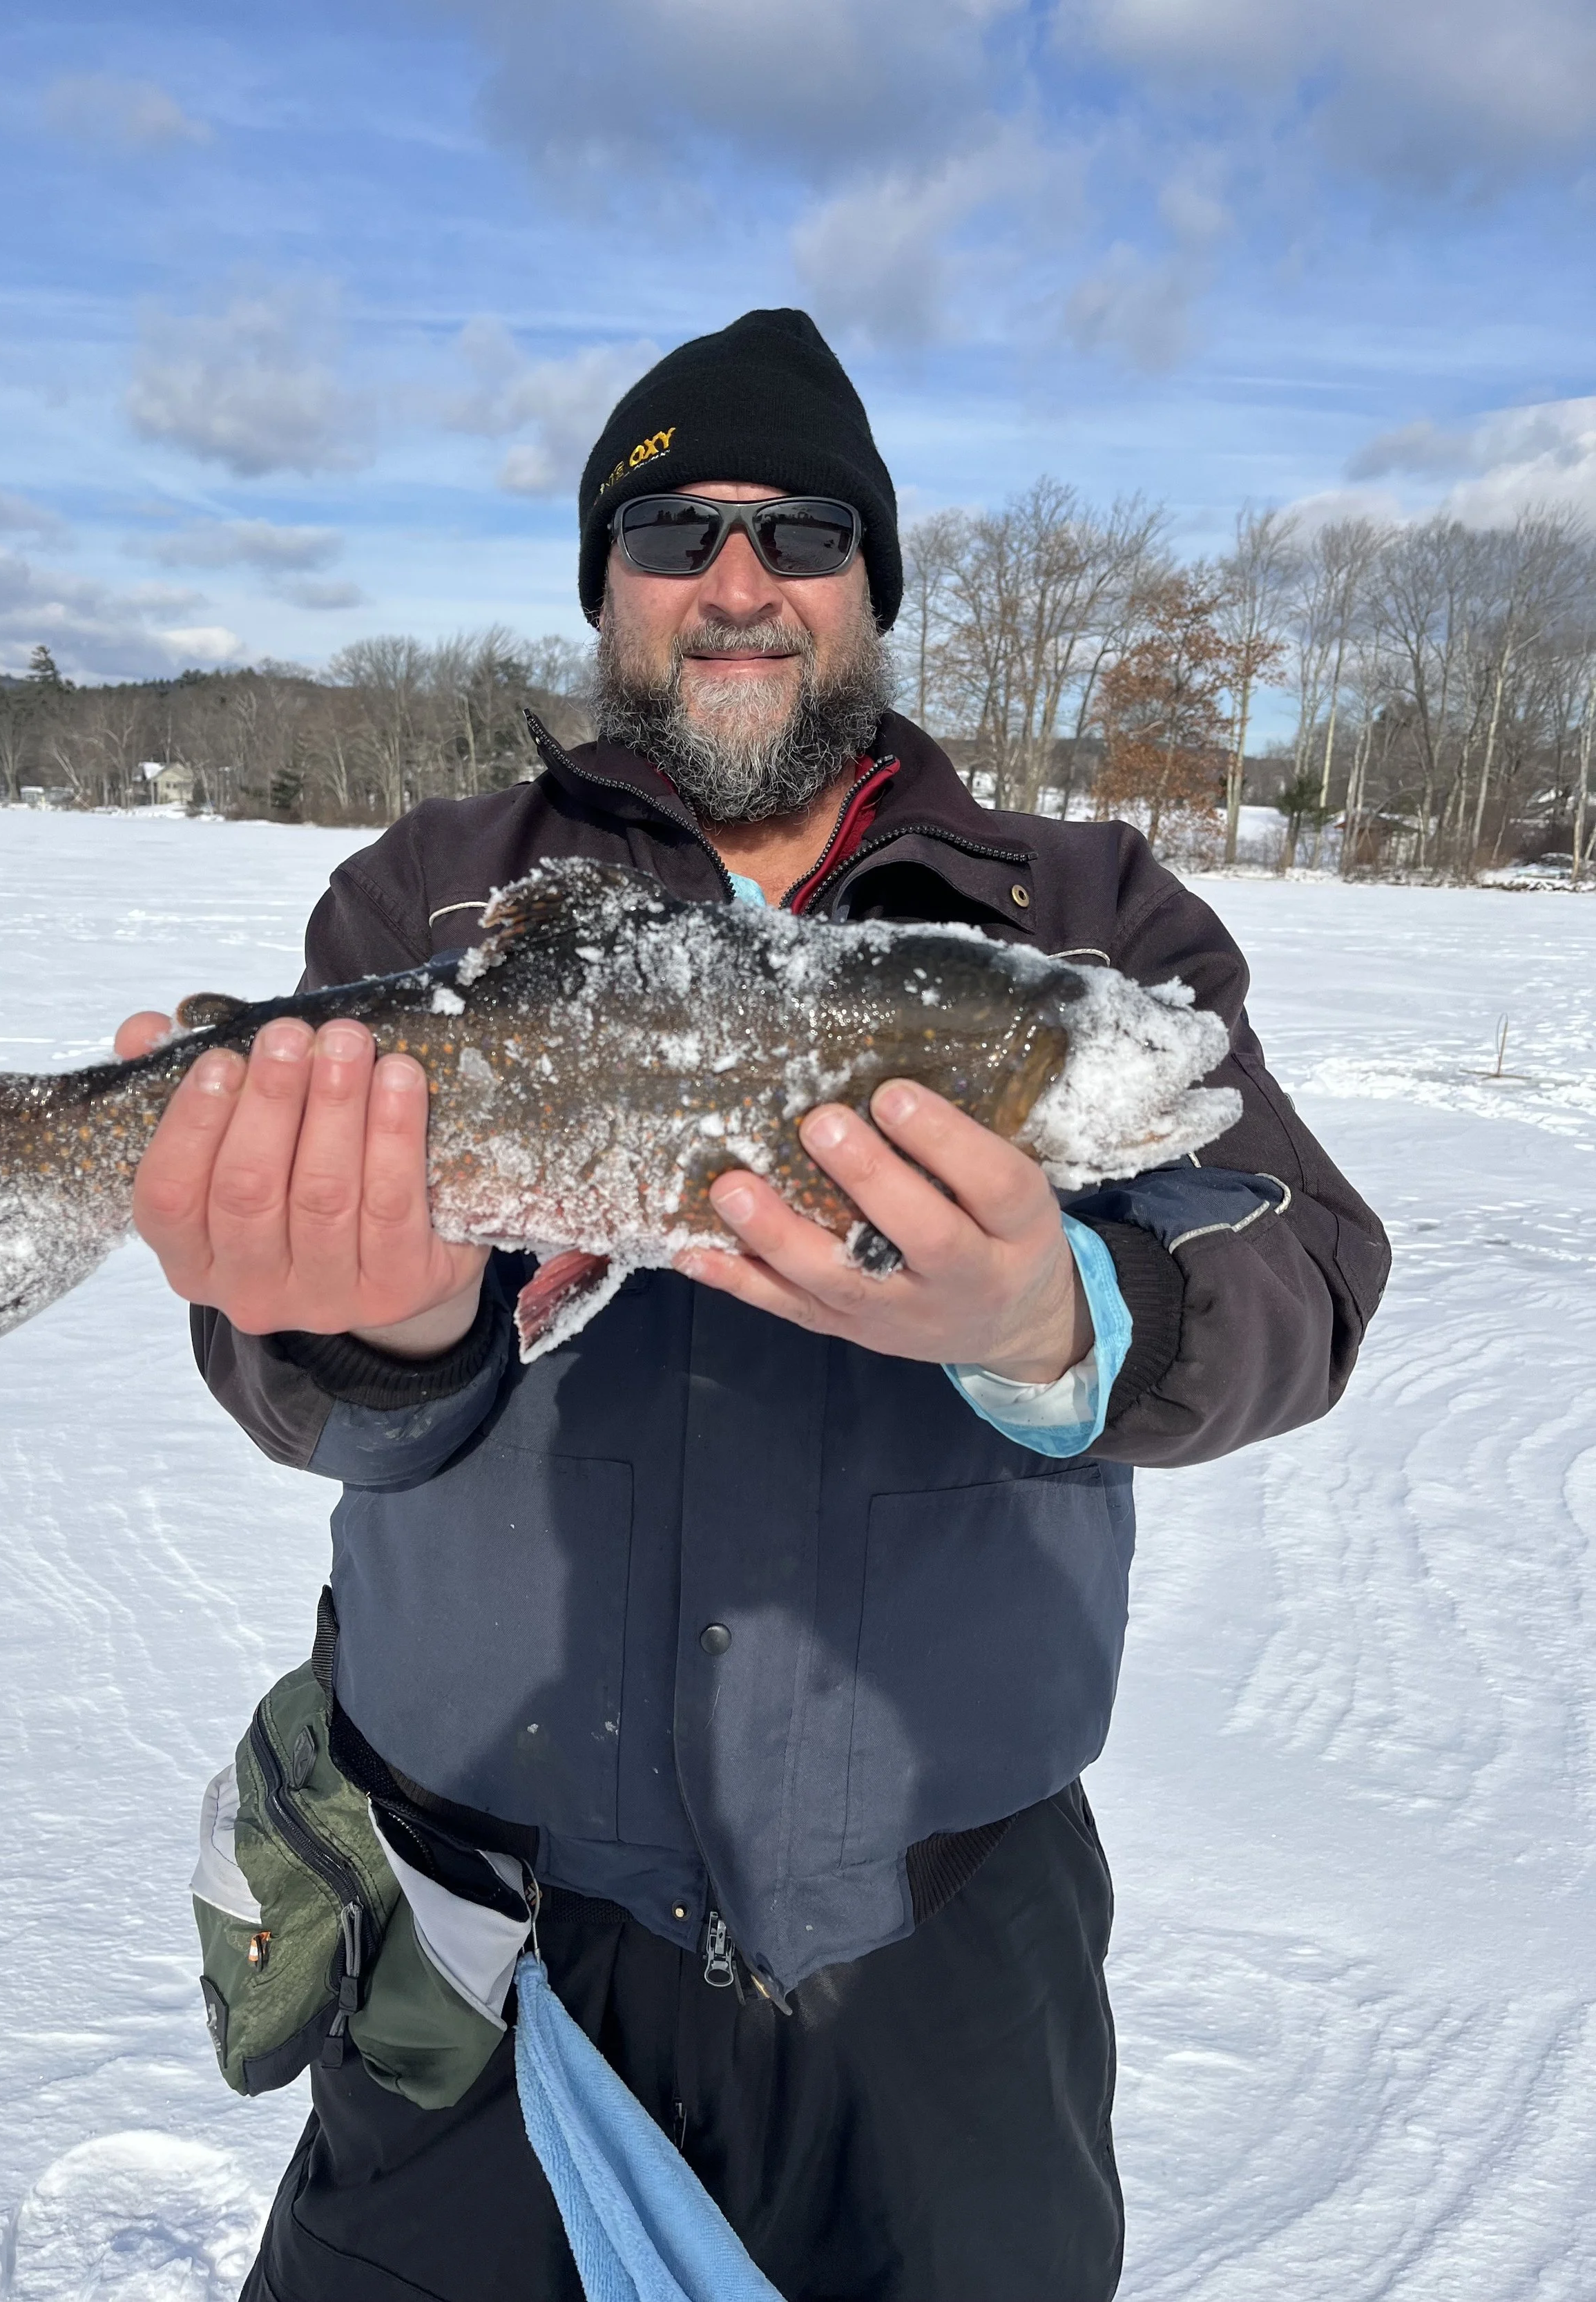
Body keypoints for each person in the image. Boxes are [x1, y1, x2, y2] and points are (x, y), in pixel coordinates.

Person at [118, 309, 1389, 2302]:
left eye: (801, 530)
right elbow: (299, 1383)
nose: (737, 580)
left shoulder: (1076, 917)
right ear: (604, 591)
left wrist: (1061, 1319)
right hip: (478, 1914)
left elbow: (1305, 1260)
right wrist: (365, 1330)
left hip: (942, 1933)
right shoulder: (433, 899)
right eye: (672, 532)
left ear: (867, 585)